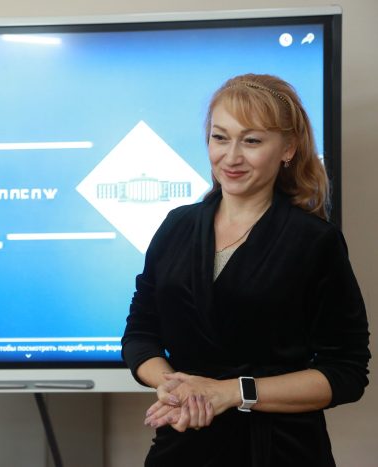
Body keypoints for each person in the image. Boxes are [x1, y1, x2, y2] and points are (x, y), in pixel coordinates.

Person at [121, 73, 370, 467]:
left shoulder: (314, 242)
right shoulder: (176, 226)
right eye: (220, 138)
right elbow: (140, 334)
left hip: (280, 451)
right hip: (182, 443)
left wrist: (233, 392)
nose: (231, 157)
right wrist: (176, 388)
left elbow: (346, 372)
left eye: (251, 141)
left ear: (288, 148)